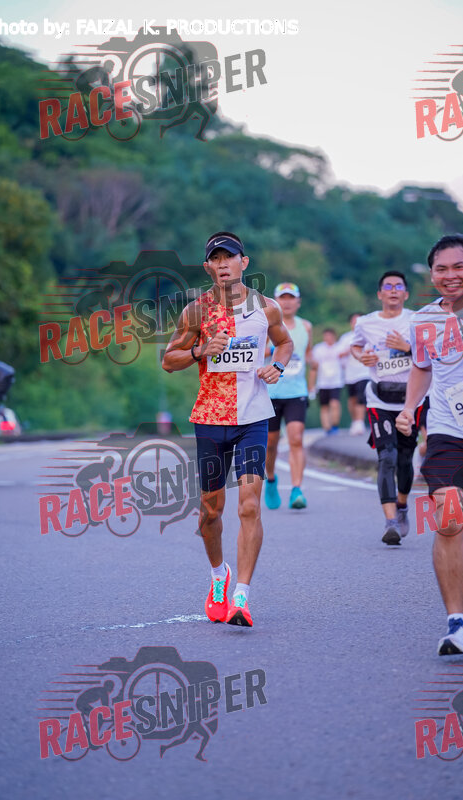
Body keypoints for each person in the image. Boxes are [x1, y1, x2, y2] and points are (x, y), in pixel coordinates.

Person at [162, 232, 293, 627]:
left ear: (244, 262)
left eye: (229, 257)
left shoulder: (267, 308)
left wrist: (277, 366)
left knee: (249, 505)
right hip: (210, 419)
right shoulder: (196, 312)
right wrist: (201, 350)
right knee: (210, 512)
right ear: (208, 267)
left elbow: (284, 344)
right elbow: (169, 359)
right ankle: (219, 575)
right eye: (216, 259)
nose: (223, 264)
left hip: (253, 418)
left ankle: (241, 596)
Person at [396, 235, 463, 655]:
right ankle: (456, 626)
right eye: (441, 269)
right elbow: (421, 368)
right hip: (448, 429)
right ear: (431, 275)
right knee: (448, 518)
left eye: (459, 267)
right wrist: (410, 408)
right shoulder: (423, 320)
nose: (450, 276)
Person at [351, 271, 423, 545]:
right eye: (388, 286)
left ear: (406, 293)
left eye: (398, 286)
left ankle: (402, 506)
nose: (393, 290)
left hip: (411, 402)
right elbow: (355, 346)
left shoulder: (417, 320)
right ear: (380, 294)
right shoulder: (366, 323)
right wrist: (363, 356)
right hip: (379, 400)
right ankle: (390, 521)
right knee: (387, 457)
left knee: (405, 459)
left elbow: (433, 354)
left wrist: (407, 348)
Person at [264, 282, 313, 510]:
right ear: (275, 302)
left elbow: (308, 355)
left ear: (298, 301)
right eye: (282, 298)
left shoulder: (306, 326)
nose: (287, 302)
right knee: (270, 443)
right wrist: (275, 350)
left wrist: (313, 380)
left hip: (296, 392)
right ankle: (271, 479)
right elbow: (256, 352)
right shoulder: (266, 325)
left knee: (296, 438)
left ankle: (296, 489)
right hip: (270, 392)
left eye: (291, 298)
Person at [338, 313, 370, 435]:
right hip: (350, 374)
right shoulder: (346, 338)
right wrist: (349, 350)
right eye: (354, 321)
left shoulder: (368, 336)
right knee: (352, 399)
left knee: (361, 397)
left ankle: (360, 422)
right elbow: (339, 354)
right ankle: (355, 421)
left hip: (364, 372)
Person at [308, 327, 344, 434]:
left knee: (334, 403)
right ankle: (327, 428)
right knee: (324, 406)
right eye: (326, 336)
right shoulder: (318, 349)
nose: (328, 338)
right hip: (322, 382)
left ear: (334, 337)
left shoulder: (339, 348)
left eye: (330, 336)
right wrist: (311, 384)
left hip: (336, 381)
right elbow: (314, 368)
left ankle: (335, 425)